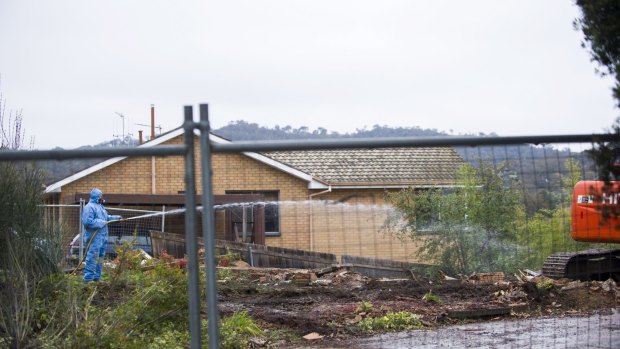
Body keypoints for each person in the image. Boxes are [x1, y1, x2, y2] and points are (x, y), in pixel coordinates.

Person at [81, 188, 122, 282]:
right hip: (94, 237)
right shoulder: (89, 207)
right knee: (93, 256)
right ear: (96, 196)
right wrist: (100, 222)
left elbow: (106, 218)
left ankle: (96, 278)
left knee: (100, 257)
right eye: (100, 196)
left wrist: (117, 218)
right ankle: (88, 279)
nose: (102, 198)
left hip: (103, 237)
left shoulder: (100, 207)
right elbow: (87, 222)